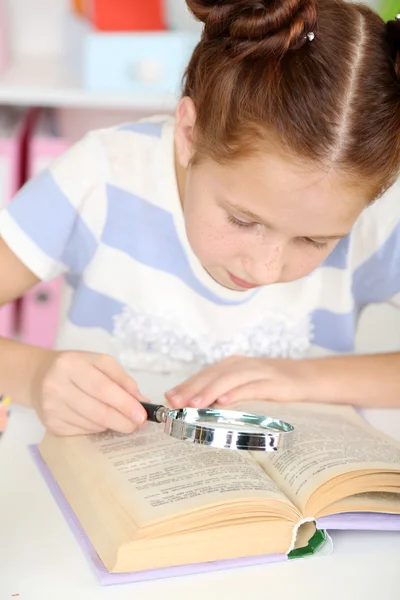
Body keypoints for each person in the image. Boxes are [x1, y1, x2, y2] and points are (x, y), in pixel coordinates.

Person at [0, 0, 400, 437]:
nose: (265, 269)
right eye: (243, 220)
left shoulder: (370, 218)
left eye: (314, 241)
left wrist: (305, 378)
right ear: (189, 135)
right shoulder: (101, 178)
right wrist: (35, 376)